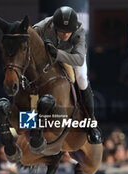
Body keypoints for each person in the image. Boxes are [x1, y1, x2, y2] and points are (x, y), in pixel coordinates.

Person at [33, 6, 102, 144]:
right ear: (54, 25)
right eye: (61, 31)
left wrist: (57, 54)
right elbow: (30, 36)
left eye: (68, 32)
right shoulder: (44, 25)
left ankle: (91, 125)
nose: (65, 35)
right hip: (49, 58)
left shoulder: (79, 30)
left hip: (72, 57)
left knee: (82, 79)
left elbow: (79, 59)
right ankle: (28, 119)